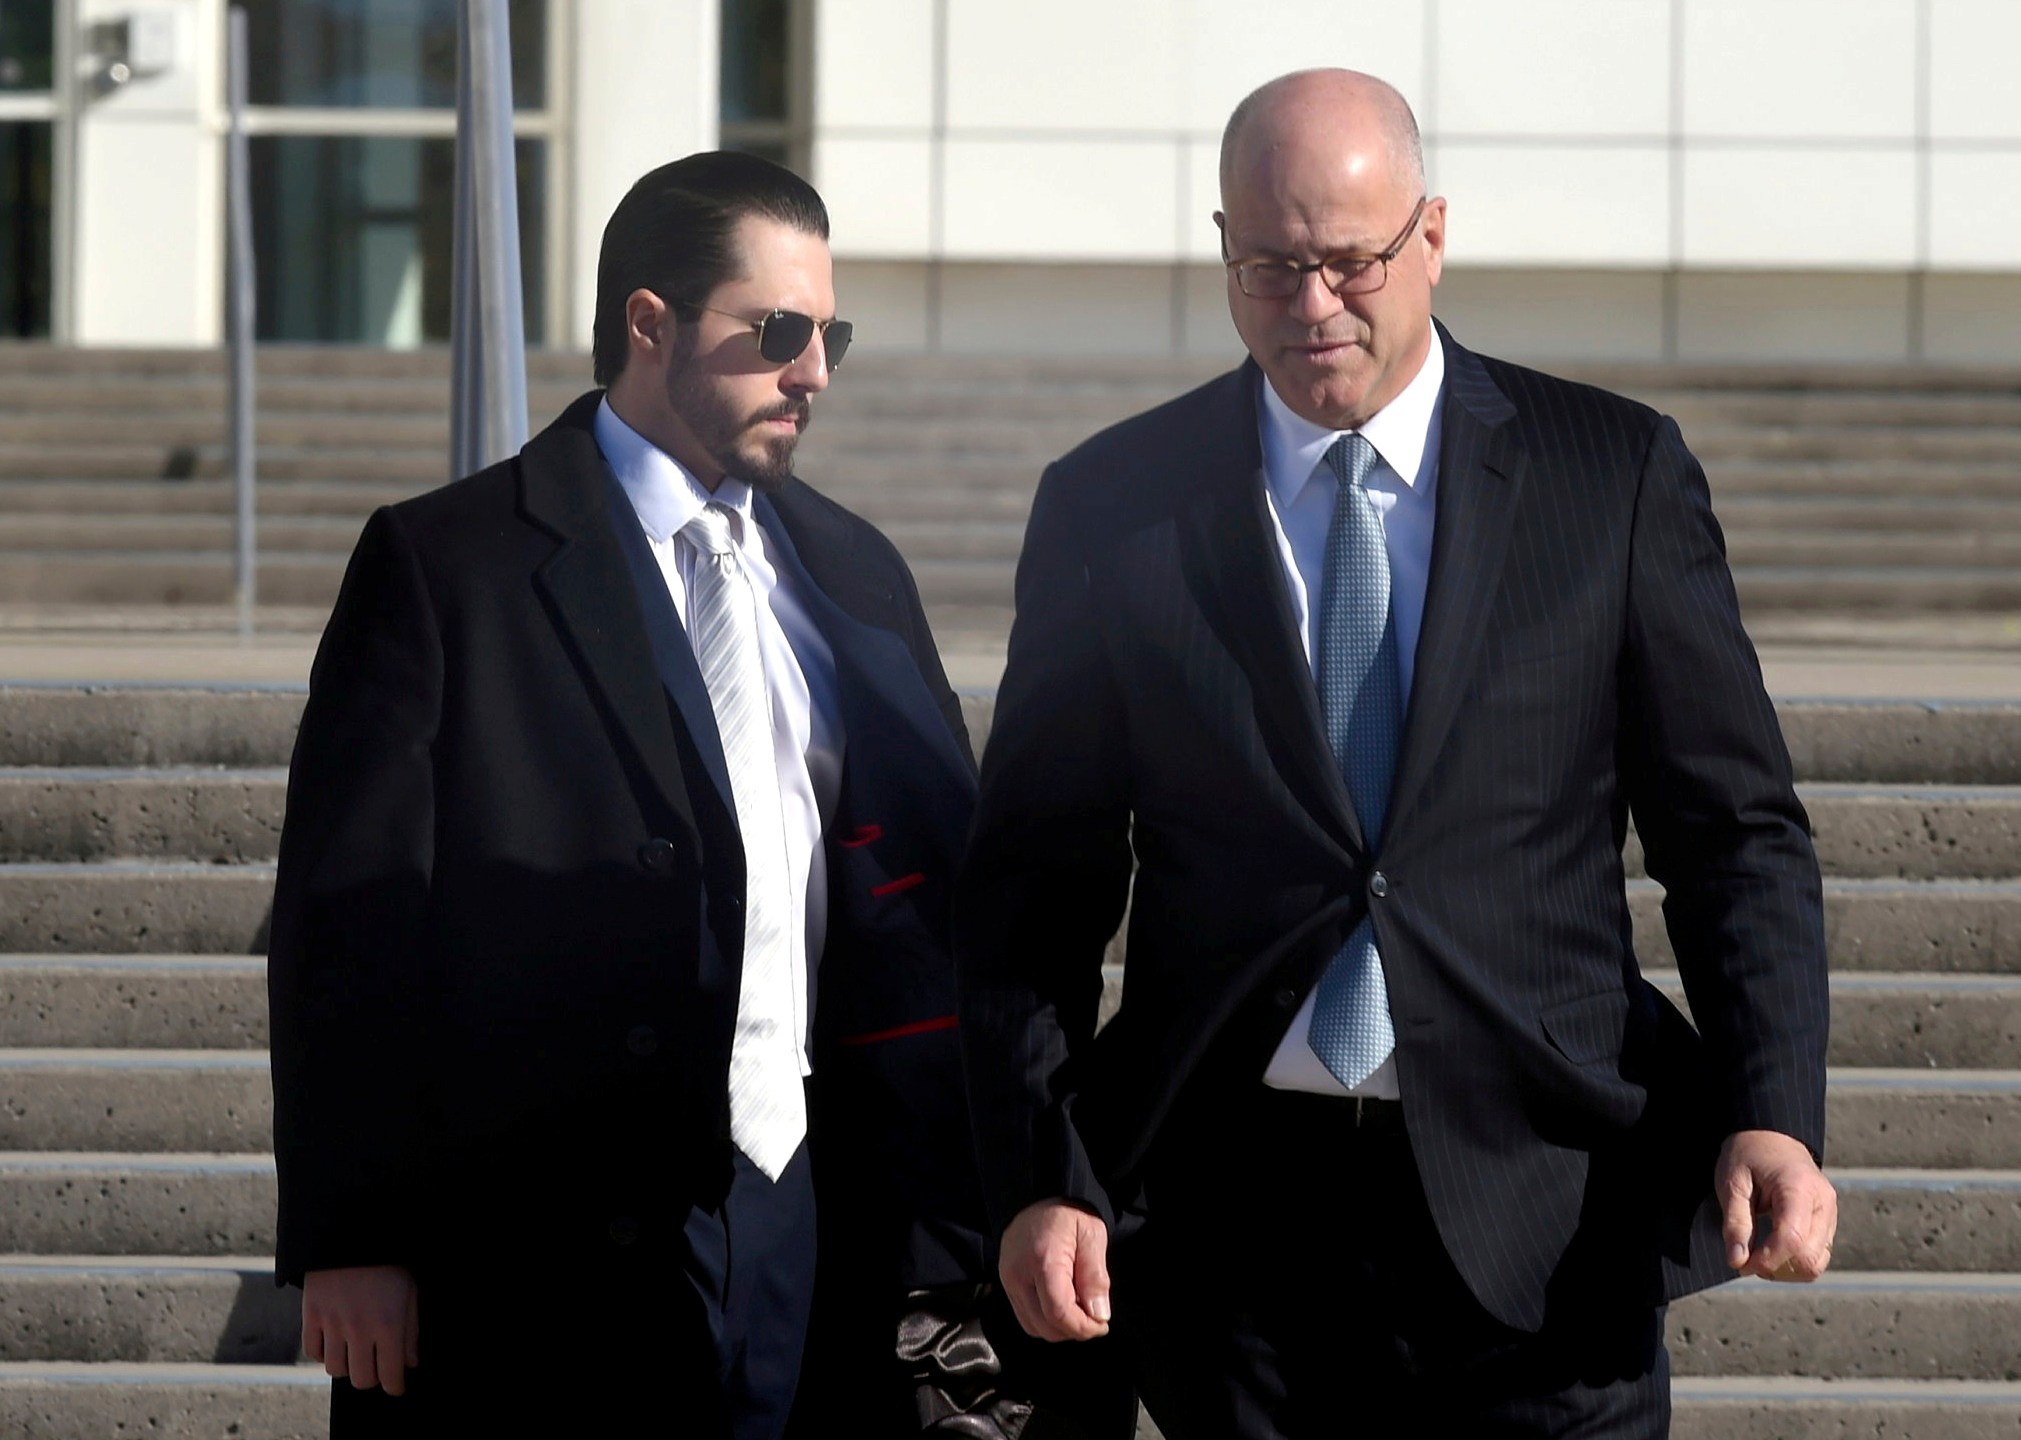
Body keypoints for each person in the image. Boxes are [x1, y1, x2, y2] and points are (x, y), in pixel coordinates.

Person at [955, 69, 1839, 1439]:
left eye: (1348, 262)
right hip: (1229, 1233)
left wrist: (1771, 1110)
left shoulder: (1608, 476)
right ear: (1221, 250)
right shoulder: (1111, 507)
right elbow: (1034, 887)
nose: (1310, 307)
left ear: (1430, 235)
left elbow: (1734, 835)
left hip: (1548, 1218)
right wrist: (1040, 1168)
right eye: (1266, 267)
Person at [269, 151, 1022, 1438]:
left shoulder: (851, 570)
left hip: (807, 1218)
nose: (815, 372)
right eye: (776, 331)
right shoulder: (449, 565)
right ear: (648, 325)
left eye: (828, 331)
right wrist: (355, 1237)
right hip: (537, 1249)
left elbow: (940, 888)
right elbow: (350, 925)